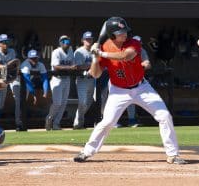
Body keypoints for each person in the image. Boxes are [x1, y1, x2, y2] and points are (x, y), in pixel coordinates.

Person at [73, 17, 187, 164]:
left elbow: (127, 56)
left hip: (142, 88)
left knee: (164, 115)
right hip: (118, 91)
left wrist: (102, 54)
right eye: (120, 32)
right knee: (107, 122)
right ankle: (86, 152)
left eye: (125, 30)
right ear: (111, 34)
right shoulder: (104, 46)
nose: (124, 34)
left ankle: (173, 154)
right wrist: (95, 58)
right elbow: (96, 74)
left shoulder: (134, 42)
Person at [0, 34, 23, 131]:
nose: (5, 44)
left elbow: (14, 65)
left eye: (7, 42)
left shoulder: (12, 51)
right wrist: (6, 67)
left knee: (1, 104)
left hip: (4, 79)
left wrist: (8, 69)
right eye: (3, 42)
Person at [116, 35, 152, 128]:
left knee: (131, 101)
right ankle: (113, 122)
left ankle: (131, 120)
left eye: (139, 43)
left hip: (135, 80)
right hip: (120, 79)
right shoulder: (124, 50)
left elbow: (147, 64)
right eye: (136, 42)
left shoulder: (142, 51)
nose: (137, 44)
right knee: (116, 101)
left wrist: (142, 66)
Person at [45, 35, 77, 130]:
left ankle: (56, 124)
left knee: (63, 104)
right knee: (57, 103)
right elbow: (55, 66)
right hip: (57, 79)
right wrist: (69, 68)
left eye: (66, 41)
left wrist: (72, 67)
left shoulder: (71, 51)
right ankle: (49, 118)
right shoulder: (56, 52)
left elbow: (73, 64)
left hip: (66, 79)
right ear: (60, 43)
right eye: (63, 41)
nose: (65, 43)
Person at [73, 31, 95, 129]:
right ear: (83, 40)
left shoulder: (94, 51)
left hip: (92, 80)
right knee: (82, 102)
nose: (88, 41)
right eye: (86, 39)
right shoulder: (79, 52)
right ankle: (78, 123)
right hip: (82, 79)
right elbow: (79, 66)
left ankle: (79, 122)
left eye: (90, 39)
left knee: (89, 103)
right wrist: (92, 65)